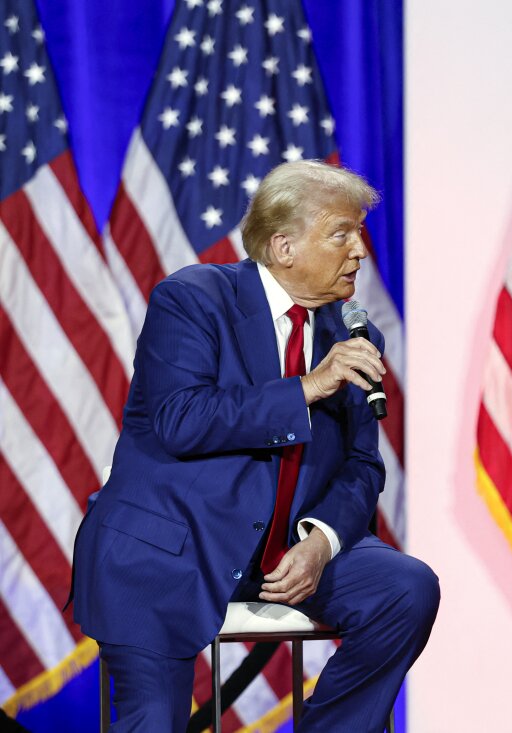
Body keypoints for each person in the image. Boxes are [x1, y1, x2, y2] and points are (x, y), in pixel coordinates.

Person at [72, 160, 439, 731]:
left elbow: (363, 466)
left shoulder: (352, 332)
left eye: (359, 234)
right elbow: (178, 418)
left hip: (285, 554)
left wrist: (321, 543)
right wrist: (309, 387)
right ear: (284, 246)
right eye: (341, 233)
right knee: (152, 718)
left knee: (406, 590)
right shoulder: (194, 299)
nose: (360, 251)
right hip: (171, 547)